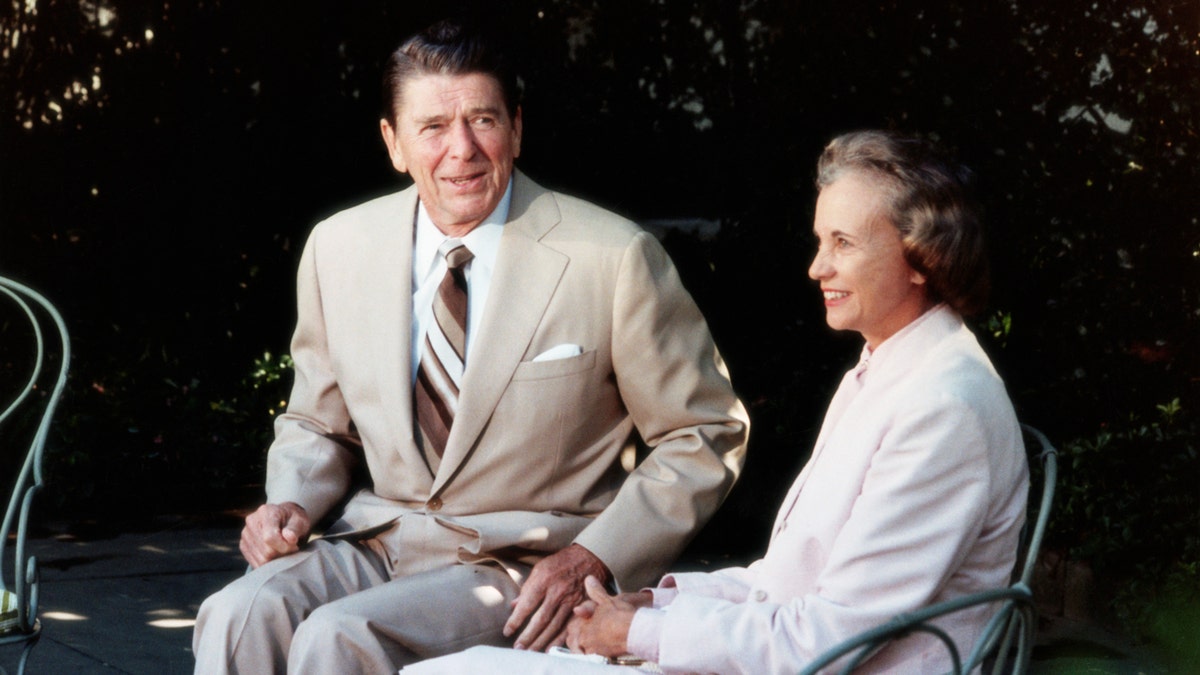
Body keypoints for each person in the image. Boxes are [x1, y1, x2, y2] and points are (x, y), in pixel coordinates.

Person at [191, 20, 749, 675]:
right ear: (392, 143)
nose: (462, 149)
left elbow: (705, 431)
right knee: (237, 612)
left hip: (526, 566)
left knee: (339, 638)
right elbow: (318, 421)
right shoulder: (338, 247)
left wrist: (598, 554)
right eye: (432, 127)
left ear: (516, 127)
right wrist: (290, 501)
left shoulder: (611, 256)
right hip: (379, 540)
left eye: (482, 119)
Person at [402, 130, 1030, 674]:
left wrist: (635, 634)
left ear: (922, 257)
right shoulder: (894, 368)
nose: (817, 268)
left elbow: (831, 641)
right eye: (820, 241)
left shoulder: (943, 406)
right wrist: (649, 605)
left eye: (844, 243)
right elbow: (782, 584)